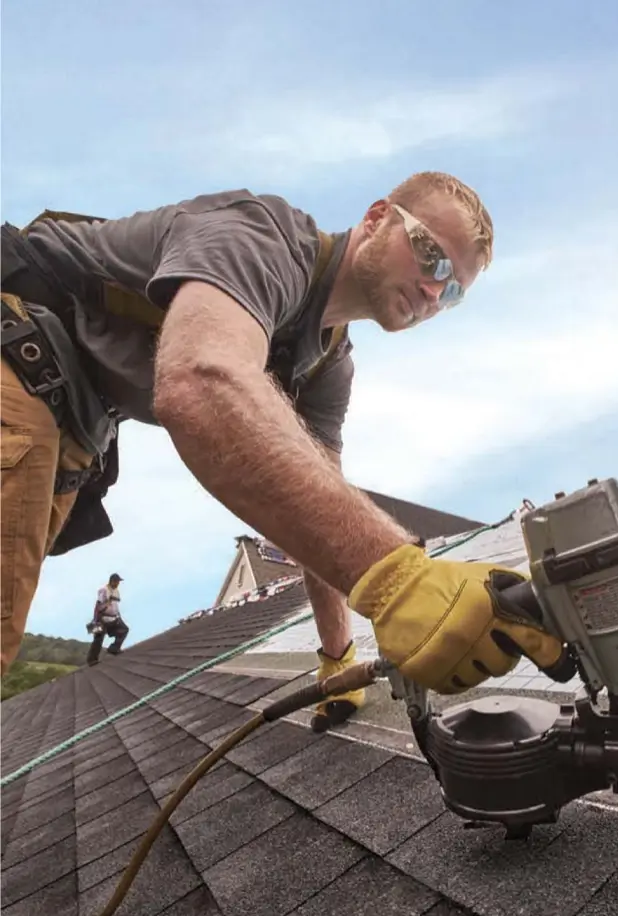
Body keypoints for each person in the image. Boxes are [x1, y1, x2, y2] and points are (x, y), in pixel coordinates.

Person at [1, 172, 569, 730]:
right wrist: (400, 580)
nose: (432, 291)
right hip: (16, 346)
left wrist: (337, 658)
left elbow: (317, 504)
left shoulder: (326, 366)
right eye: (431, 256)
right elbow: (200, 381)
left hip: (65, 418)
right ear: (376, 219)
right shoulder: (260, 237)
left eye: (452, 291)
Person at [86, 572, 129, 666]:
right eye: (116, 582)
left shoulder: (116, 591)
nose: (118, 584)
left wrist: (118, 615)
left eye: (119, 582)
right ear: (112, 581)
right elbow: (98, 605)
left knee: (124, 630)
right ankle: (92, 660)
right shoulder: (104, 590)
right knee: (98, 639)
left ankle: (114, 649)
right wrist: (95, 620)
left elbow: (115, 604)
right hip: (103, 618)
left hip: (114, 617)